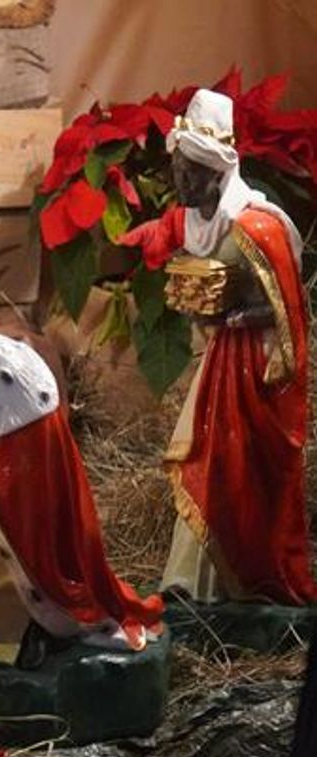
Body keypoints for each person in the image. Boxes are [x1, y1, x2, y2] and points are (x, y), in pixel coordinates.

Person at [122, 88, 313, 605]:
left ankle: (243, 577)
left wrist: (234, 316)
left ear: (216, 174)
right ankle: (192, 580)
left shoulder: (258, 227)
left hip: (257, 368)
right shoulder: (198, 224)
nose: (179, 181)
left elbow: (289, 311)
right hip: (221, 360)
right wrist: (199, 308)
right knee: (207, 454)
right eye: (177, 169)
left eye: (190, 172)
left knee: (238, 465)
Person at [0, 284, 163, 668]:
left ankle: (20, 639)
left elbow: (18, 496)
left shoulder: (9, 389)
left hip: (17, 530)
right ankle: (13, 631)